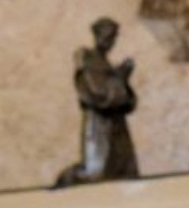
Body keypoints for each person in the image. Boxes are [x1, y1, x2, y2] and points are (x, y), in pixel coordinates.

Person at [55, 17, 139, 187]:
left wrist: (122, 79)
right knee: (98, 174)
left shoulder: (106, 63)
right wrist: (119, 78)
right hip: (99, 125)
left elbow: (126, 100)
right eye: (107, 37)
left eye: (113, 38)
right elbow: (97, 93)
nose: (110, 42)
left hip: (117, 125)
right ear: (97, 36)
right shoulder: (86, 58)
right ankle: (67, 182)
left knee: (122, 172)